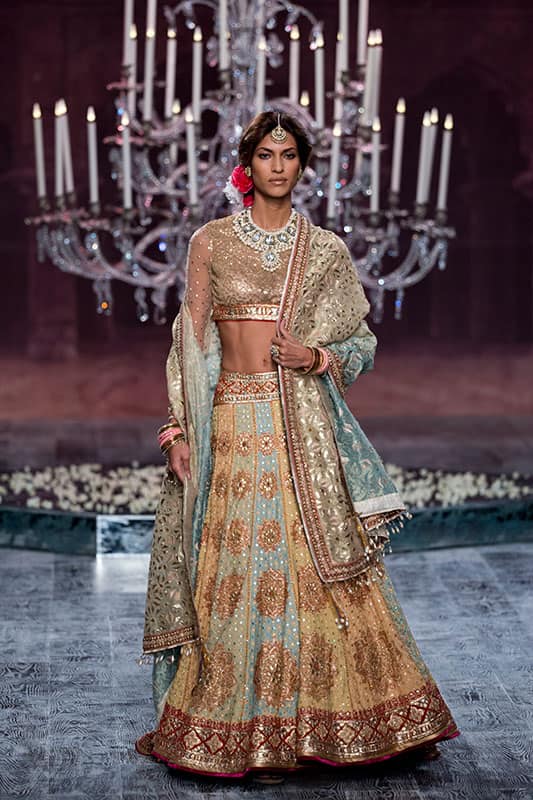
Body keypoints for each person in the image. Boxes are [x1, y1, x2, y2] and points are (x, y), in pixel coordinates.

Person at [135, 111, 460, 781]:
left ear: (302, 166)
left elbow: (360, 344)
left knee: (315, 571)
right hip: (228, 426)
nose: (277, 166)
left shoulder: (325, 251)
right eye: (265, 154)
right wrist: (176, 429)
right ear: (245, 166)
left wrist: (312, 354)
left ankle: (333, 725)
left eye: (288, 155)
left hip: (297, 432)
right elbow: (189, 345)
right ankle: (236, 728)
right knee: (232, 580)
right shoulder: (211, 242)